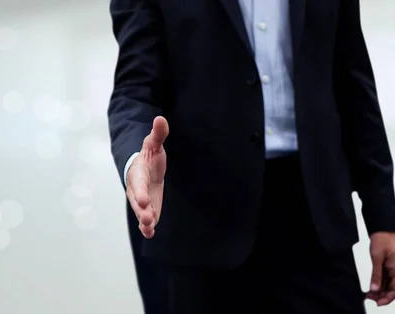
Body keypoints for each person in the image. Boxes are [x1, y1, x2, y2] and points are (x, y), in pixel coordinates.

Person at [107, 0, 395, 313]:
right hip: (198, 219)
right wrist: (136, 157)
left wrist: (383, 218)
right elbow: (134, 85)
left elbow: (352, 82)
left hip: (312, 214)